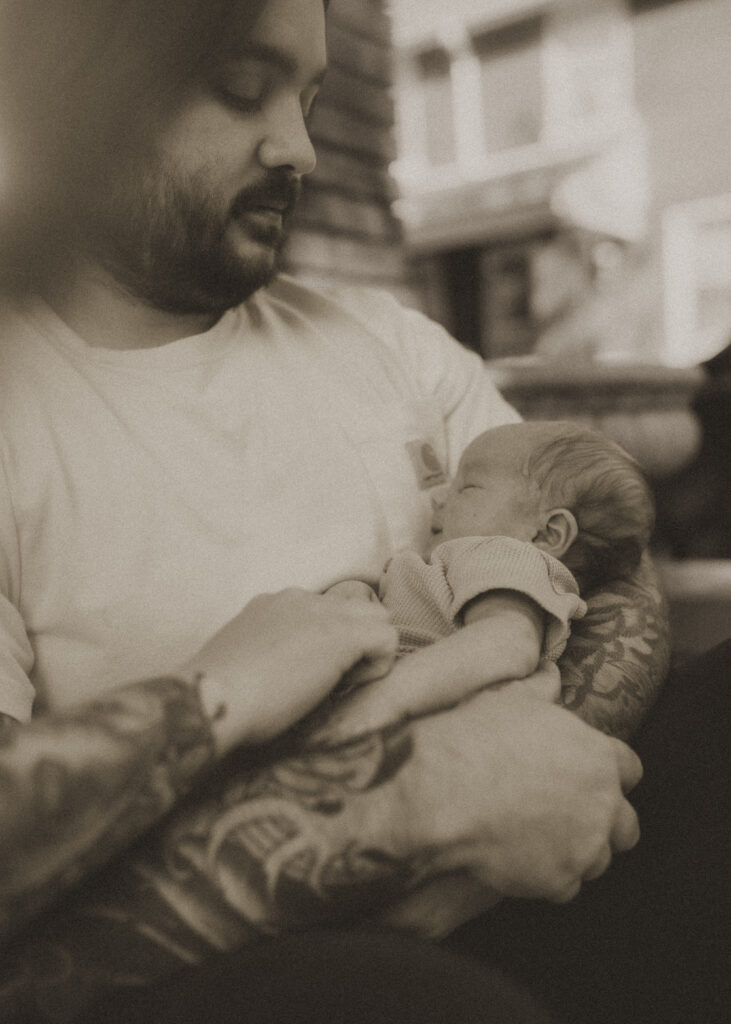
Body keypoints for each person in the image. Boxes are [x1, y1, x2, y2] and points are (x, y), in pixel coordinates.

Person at [0, 1, 723, 1022]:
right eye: (244, 88)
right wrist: (404, 797)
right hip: (252, 969)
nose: (297, 148)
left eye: (308, 99)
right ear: (87, 92)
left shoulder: (382, 339)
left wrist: (520, 777)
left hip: (540, 856)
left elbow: (609, 566)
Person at [319, 420, 655, 743]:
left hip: (425, 721)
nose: (438, 498)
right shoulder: (456, 563)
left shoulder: (503, 553)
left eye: (467, 487)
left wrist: (384, 700)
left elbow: (509, 643)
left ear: (547, 534)